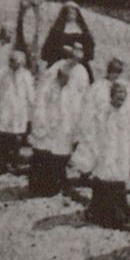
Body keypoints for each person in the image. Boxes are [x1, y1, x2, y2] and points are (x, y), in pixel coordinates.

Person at [75, 81, 130, 230]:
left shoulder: (128, 115)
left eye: (123, 96)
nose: (121, 99)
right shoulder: (103, 113)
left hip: (121, 156)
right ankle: (100, 214)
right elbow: (92, 133)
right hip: (105, 155)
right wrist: (91, 154)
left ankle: (117, 214)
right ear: (111, 96)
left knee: (118, 185)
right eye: (118, 95)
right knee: (103, 183)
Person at [28, 64, 82, 197]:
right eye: (65, 78)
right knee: (44, 158)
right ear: (59, 76)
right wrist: (42, 125)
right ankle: (41, 188)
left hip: (63, 129)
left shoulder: (70, 91)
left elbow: (74, 110)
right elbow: (40, 108)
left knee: (60, 158)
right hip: (48, 128)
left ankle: (58, 185)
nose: (67, 80)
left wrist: (75, 129)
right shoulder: (48, 88)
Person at [0, 50, 35, 171]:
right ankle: (0, 163)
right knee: (1, 136)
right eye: (13, 62)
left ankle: (14, 161)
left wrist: (33, 109)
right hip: (4, 109)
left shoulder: (26, 75)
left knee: (15, 138)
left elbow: (30, 94)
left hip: (18, 110)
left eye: (18, 63)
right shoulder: (2, 74)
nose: (15, 65)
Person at [40, 2, 95, 72]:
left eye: (74, 12)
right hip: (59, 59)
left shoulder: (83, 31)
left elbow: (89, 49)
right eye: (69, 12)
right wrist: (63, 50)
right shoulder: (57, 29)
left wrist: (79, 53)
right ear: (65, 13)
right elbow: (49, 47)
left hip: (78, 62)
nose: (72, 14)